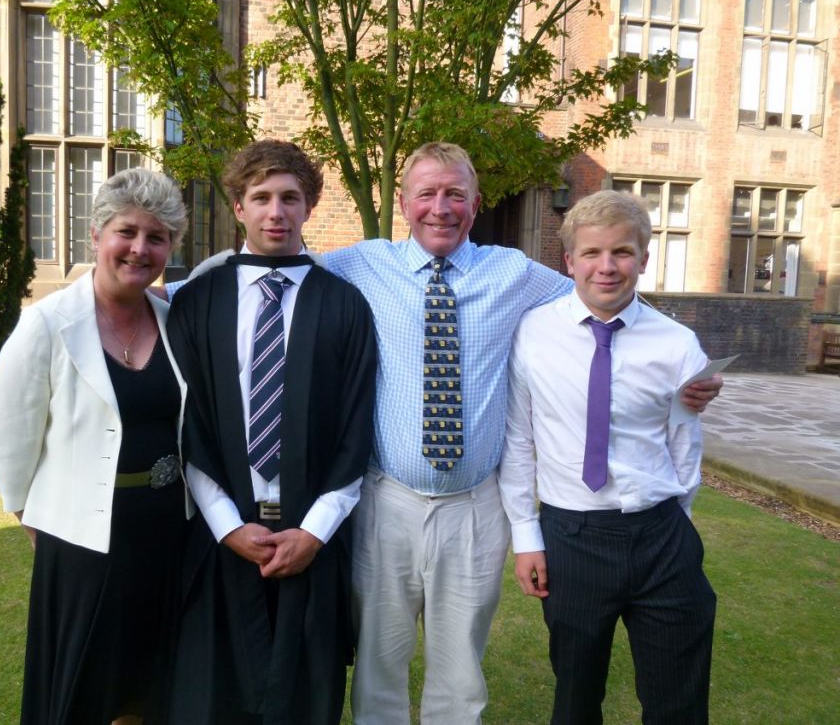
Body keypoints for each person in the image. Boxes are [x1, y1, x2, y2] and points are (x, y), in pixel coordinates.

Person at [320, 142, 721, 725]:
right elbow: (281, 271)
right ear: (402, 203)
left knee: (460, 670)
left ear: (475, 204)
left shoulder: (512, 274)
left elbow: (604, 289)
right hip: (388, 498)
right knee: (381, 662)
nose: (441, 207)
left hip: (476, 505)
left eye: (455, 194)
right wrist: (167, 295)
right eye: (427, 194)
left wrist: (686, 364)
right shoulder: (360, 265)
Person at [166, 140, 377, 725]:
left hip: (314, 536)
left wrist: (313, 533)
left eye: (290, 197)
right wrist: (229, 526)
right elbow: (189, 427)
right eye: (260, 198)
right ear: (238, 206)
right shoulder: (197, 302)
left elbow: (357, 427)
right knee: (215, 700)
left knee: (303, 700)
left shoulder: (345, 306)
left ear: (309, 205)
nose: (275, 212)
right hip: (221, 537)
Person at [499, 189, 716, 725]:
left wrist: (679, 528)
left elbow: (684, 447)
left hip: (662, 538)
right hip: (573, 538)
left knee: (677, 701)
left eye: (622, 252)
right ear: (569, 260)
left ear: (644, 258)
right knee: (575, 696)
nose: (607, 266)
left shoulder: (678, 344)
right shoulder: (533, 333)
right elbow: (519, 440)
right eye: (592, 254)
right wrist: (526, 537)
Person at [0, 167, 190, 725]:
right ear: (96, 237)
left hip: (168, 532)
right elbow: (11, 449)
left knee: (152, 683)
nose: (139, 249)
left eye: (157, 237)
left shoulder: (176, 322)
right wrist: (47, 529)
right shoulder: (47, 325)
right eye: (126, 232)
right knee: (81, 689)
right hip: (81, 544)